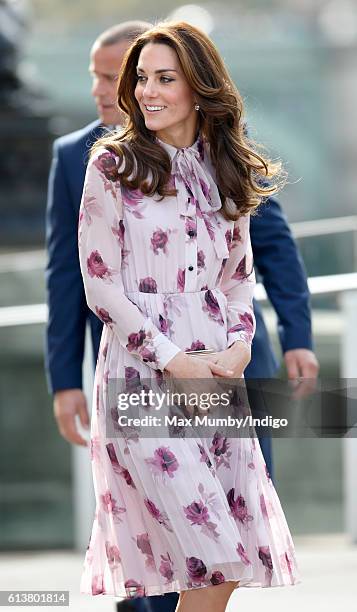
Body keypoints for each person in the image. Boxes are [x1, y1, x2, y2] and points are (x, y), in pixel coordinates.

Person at [76, 21, 300, 611]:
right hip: (144, 375)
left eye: (164, 79)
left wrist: (240, 345)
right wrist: (174, 361)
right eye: (142, 78)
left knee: (232, 554)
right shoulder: (112, 167)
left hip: (218, 375)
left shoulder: (225, 170)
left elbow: (235, 278)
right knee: (209, 546)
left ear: (199, 88)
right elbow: (100, 285)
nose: (148, 91)